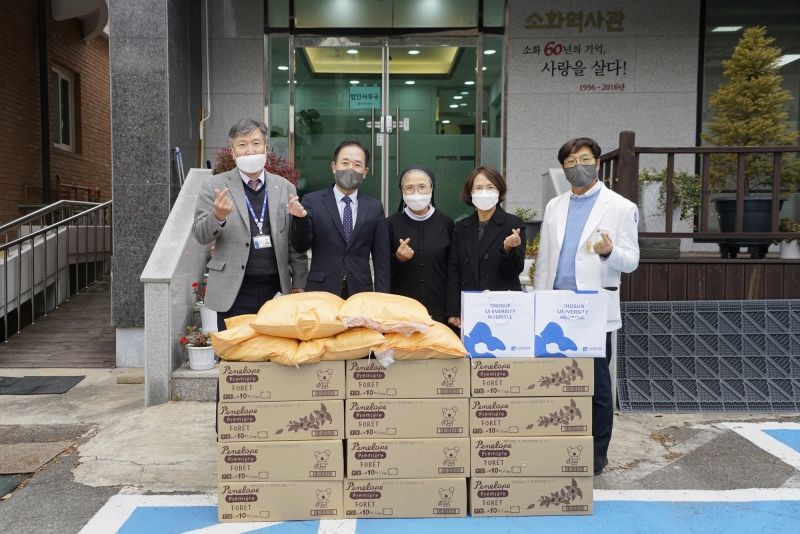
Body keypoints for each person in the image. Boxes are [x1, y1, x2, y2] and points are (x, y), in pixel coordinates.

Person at [533, 137, 640, 476]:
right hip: (556, 307)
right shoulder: (555, 205)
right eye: (569, 162)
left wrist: (609, 252)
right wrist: (539, 301)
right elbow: (545, 259)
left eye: (584, 159)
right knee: (554, 380)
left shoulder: (620, 207)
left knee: (595, 385)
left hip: (592, 310)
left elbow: (632, 260)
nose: (577, 166)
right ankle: (556, 444)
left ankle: (596, 454)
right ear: (563, 168)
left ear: (597, 163)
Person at [192, 118, 308, 332]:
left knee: (274, 349)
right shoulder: (214, 185)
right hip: (232, 290)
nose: (250, 151)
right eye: (242, 145)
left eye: (255, 143)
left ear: (266, 148)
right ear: (232, 152)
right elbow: (200, 234)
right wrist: (217, 216)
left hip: (276, 288)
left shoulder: (285, 187)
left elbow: (294, 244)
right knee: (235, 351)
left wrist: (299, 282)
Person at [288, 139, 390, 298]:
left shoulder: (375, 207)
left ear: (365, 172)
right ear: (334, 167)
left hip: (360, 292)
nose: (350, 169)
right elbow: (301, 247)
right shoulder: (312, 201)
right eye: (345, 163)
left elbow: (381, 260)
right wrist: (300, 220)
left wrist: (382, 298)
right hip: (321, 291)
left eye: (357, 165)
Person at [445, 165, 526, 329]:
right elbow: (454, 271)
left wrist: (508, 249)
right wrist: (453, 309)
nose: (484, 192)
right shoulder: (461, 227)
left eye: (490, 187)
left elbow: (515, 270)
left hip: (503, 309)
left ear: (499, 191)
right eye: (478, 188)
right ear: (470, 192)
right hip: (471, 305)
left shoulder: (513, 223)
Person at [386, 165, 454, 323]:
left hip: (439, 312)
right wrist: (397, 259)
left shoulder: (447, 223)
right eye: (409, 188)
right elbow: (381, 268)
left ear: (432, 188)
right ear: (402, 191)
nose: (416, 192)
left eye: (422, 187)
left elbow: (454, 270)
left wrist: (453, 310)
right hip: (401, 313)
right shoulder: (390, 224)